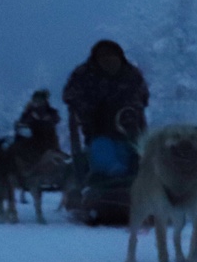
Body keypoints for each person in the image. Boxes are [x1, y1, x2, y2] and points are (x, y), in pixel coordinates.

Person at [63, 40, 149, 178]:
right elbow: (72, 98)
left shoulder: (131, 74)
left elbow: (142, 99)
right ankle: (116, 178)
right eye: (104, 58)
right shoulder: (84, 75)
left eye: (112, 57)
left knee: (135, 155)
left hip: (129, 131)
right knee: (103, 152)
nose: (109, 61)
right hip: (98, 130)